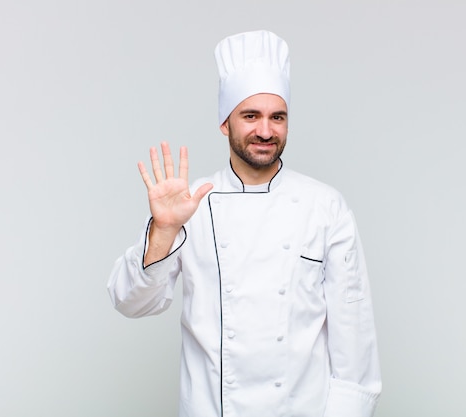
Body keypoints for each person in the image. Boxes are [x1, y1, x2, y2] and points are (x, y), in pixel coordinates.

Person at [108, 30, 381, 417]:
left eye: (277, 117)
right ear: (225, 122)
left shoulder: (325, 207)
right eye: (250, 116)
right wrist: (164, 229)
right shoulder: (192, 205)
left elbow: (354, 341)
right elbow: (131, 302)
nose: (265, 131)